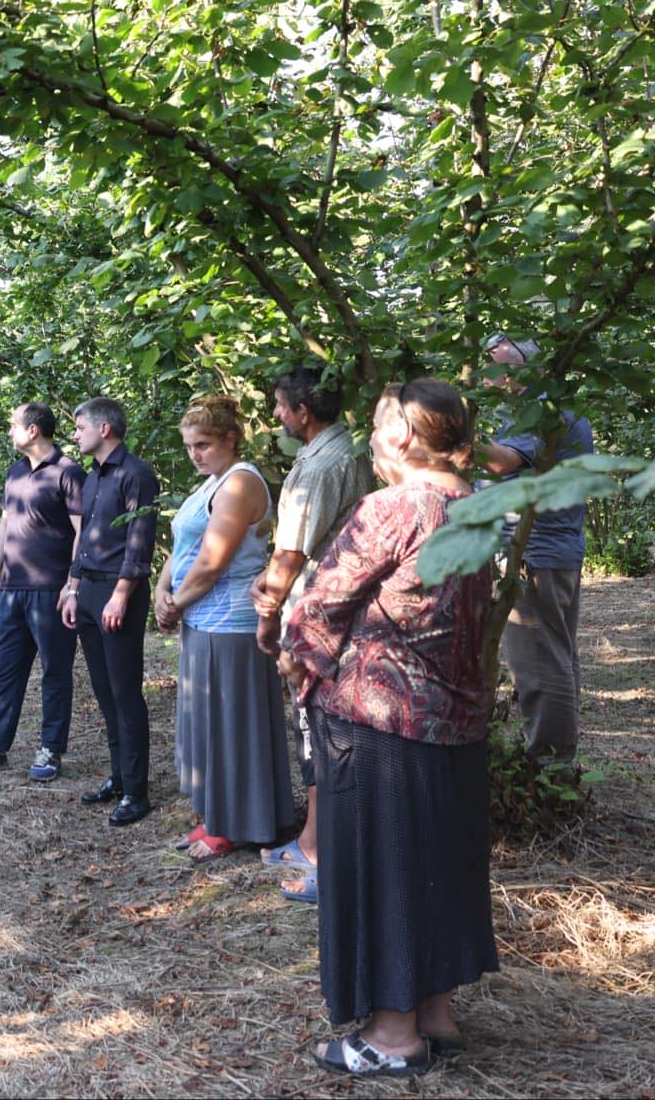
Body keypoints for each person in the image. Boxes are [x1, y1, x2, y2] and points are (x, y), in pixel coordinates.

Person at [281, 379, 497, 1077]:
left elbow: (320, 604)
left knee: (386, 869)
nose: (371, 438)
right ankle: (434, 1013)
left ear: (403, 435)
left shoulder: (395, 506)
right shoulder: (475, 507)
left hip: (379, 722)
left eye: (376, 425)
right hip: (454, 721)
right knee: (435, 862)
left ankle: (393, 1037)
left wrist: (296, 661)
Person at [249, 366, 373, 897]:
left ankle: (325, 855)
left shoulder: (323, 464)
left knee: (320, 733)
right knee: (323, 732)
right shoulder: (348, 450)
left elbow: (292, 553)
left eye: (282, 405)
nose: (276, 414)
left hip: (320, 615)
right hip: (342, 610)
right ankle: (312, 841)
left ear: (304, 412)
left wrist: (268, 614)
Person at [154, 395, 289, 860]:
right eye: (189, 446)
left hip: (231, 623)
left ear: (230, 439)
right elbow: (184, 548)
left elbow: (212, 563)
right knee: (209, 724)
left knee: (232, 727)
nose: (195, 454)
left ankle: (234, 824)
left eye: (204, 444)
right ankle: (217, 815)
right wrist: (162, 590)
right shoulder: (210, 483)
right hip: (201, 619)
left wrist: (175, 604)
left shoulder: (240, 483)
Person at [0, 403, 84, 782]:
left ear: (33, 430)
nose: (10, 431)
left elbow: (83, 533)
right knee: (6, 671)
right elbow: (6, 524)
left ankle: (51, 749)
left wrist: (72, 585)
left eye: (13, 425)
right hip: (13, 589)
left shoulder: (68, 472)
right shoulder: (15, 471)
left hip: (51, 591)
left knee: (55, 672)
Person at [481, 334, 596, 766]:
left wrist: (445, 432)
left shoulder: (543, 412)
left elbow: (500, 462)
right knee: (554, 655)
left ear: (522, 368)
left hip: (535, 554)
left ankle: (550, 765)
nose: (489, 377)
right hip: (548, 551)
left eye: (496, 367)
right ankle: (555, 760)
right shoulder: (544, 409)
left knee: (539, 663)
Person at [63, 396, 160, 826]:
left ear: (104, 428)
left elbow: (140, 540)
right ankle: (119, 778)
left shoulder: (136, 474)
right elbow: (86, 538)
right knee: (104, 692)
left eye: (80, 427)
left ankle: (136, 792)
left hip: (119, 592)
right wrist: (73, 587)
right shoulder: (92, 477)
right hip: (88, 591)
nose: (75, 435)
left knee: (125, 692)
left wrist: (121, 594)